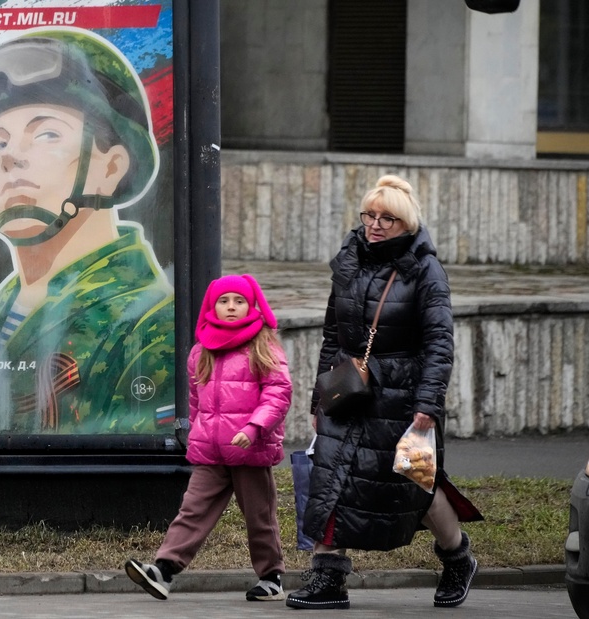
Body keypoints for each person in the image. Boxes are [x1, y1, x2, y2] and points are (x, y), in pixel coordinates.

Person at [0, 28, 174, 434]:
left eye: (47, 134)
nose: (11, 159)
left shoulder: (146, 325)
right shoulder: (2, 310)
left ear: (110, 168)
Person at [286, 175, 482, 610]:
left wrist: (428, 404)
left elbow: (439, 342)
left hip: (402, 396)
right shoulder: (349, 260)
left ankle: (457, 557)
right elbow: (333, 335)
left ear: (406, 223)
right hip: (349, 388)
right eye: (369, 216)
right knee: (328, 480)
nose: (375, 225)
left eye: (386, 219)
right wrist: (320, 398)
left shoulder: (425, 269)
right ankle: (328, 577)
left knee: (415, 485)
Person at [124, 274, 292, 602]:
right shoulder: (202, 349)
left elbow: (279, 392)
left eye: (239, 301)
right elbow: (197, 402)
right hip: (211, 451)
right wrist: (197, 434)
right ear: (212, 307)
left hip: (249, 449)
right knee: (192, 510)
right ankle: (164, 570)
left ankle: (271, 577)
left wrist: (254, 427)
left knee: (260, 517)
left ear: (251, 305)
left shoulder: (263, 345)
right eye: (224, 301)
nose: (231, 307)